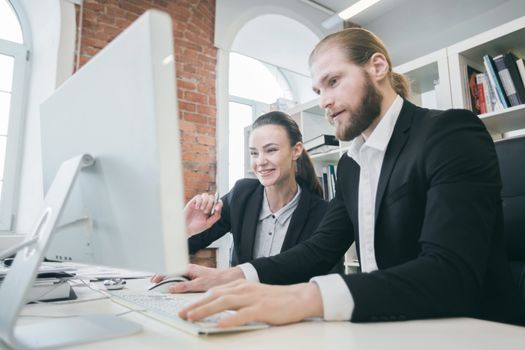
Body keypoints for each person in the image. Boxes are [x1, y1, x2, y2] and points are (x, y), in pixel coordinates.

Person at [177, 27, 525, 327]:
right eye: (318, 91)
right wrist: (235, 276)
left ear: (377, 66)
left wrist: (307, 297)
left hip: (471, 329)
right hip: (391, 322)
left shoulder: (449, 133)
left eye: (333, 81)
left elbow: (450, 273)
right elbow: (318, 249)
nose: (325, 101)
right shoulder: (351, 165)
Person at [152, 111, 341, 291]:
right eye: (254, 153)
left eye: (271, 150)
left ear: (296, 150)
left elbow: (326, 284)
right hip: (237, 309)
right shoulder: (242, 195)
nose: (260, 161)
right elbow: (184, 246)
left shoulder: (322, 213)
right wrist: (186, 228)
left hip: (291, 316)